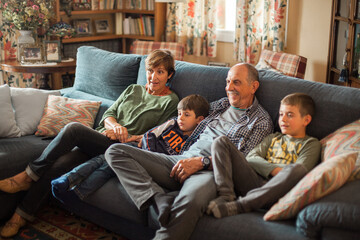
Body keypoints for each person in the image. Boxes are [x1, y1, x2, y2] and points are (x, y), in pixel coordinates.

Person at [0, 49, 179, 238]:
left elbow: (159, 135)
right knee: (58, 166)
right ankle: (20, 216)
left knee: (74, 129)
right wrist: (115, 126)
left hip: (123, 148)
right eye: (150, 70)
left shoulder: (170, 101)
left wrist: (129, 136)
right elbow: (109, 115)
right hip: (103, 138)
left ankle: (28, 176)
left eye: (160, 72)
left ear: (169, 75)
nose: (153, 76)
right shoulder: (133, 89)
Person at [104, 63, 274, 240]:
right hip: (180, 158)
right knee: (115, 152)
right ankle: (157, 198)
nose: (229, 88)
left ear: (253, 86)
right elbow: (182, 119)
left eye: (236, 82)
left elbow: (243, 162)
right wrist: (143, 136)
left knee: (188, 203)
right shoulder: (221, 105)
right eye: (228, 81)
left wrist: (201, 163)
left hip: (209, 172)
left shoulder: (260, 121)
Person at [51, 94, 210, 200]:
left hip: (152, 160)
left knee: (108, 167)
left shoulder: (194, 140)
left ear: (199, 119)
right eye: (179, 113)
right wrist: (137, 143)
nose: (180, 118)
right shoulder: (172, 123)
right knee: (104, 157)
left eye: (186, 115)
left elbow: (175, 159)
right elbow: (151, 134)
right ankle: (68, 178)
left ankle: (78, 192)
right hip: (142, 148)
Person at [206, 93, 321, 218]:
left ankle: (241, 205)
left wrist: (276, 172)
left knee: (297, 170)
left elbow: (300, 173)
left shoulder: (311, 144)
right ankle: (226, 196)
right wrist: (276, 171)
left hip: (278, 191)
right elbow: (251, 158)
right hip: (254, 181)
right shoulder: (273, 138)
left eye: (290, 115)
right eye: (281, 114)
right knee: (220, 141)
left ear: (306, 120)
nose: (283, 119)